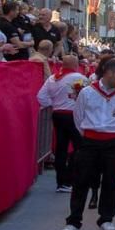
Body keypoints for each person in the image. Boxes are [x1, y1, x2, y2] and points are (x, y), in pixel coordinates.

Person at [60, 58, 115, 230]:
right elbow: (78, 116)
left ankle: (106, 218)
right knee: (81, 180)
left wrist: (110, 131)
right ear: (108, 72)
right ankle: (74, 221)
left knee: (110, 181)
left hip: (113, 142)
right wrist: (90, 133)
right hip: (90, 141)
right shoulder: (87, 92)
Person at [37, 55, 87, 193]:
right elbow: (88, 96)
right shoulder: (79, 78)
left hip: (58, 115)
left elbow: (41, 96)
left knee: (61, 148)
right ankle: (70, 178)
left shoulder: (52, 78)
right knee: (80, 147)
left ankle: (61, 182)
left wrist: (54, 105)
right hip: (73, 115)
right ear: (75, 64)